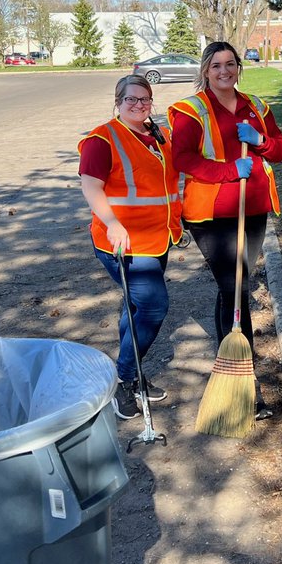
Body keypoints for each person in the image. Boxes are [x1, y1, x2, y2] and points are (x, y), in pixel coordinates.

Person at [169, 41, 282, 413]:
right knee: (235, 286)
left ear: (239, 66)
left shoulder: (257, 106)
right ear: (206, 70)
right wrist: (227, 171)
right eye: (216, 65)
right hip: (211, 213)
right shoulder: (191, 109)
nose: (224, 71)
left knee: (236, 285)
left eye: (230, 64)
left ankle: (233, 364)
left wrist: (261, 142)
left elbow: (280, 149)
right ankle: (244, 380)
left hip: (251, 208)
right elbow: (182, 157)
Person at [78, 74, 182, 420]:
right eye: (131, 99)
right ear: (118, 102)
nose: (139, 105)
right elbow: (92, 188)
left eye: (145, 99)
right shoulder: (102, 139)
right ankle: (123, 377)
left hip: (157, 239)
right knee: (153, 307)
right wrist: (112, 222)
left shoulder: (157, 134)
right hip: (122, 242)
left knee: (135, 307)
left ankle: (132, 374)